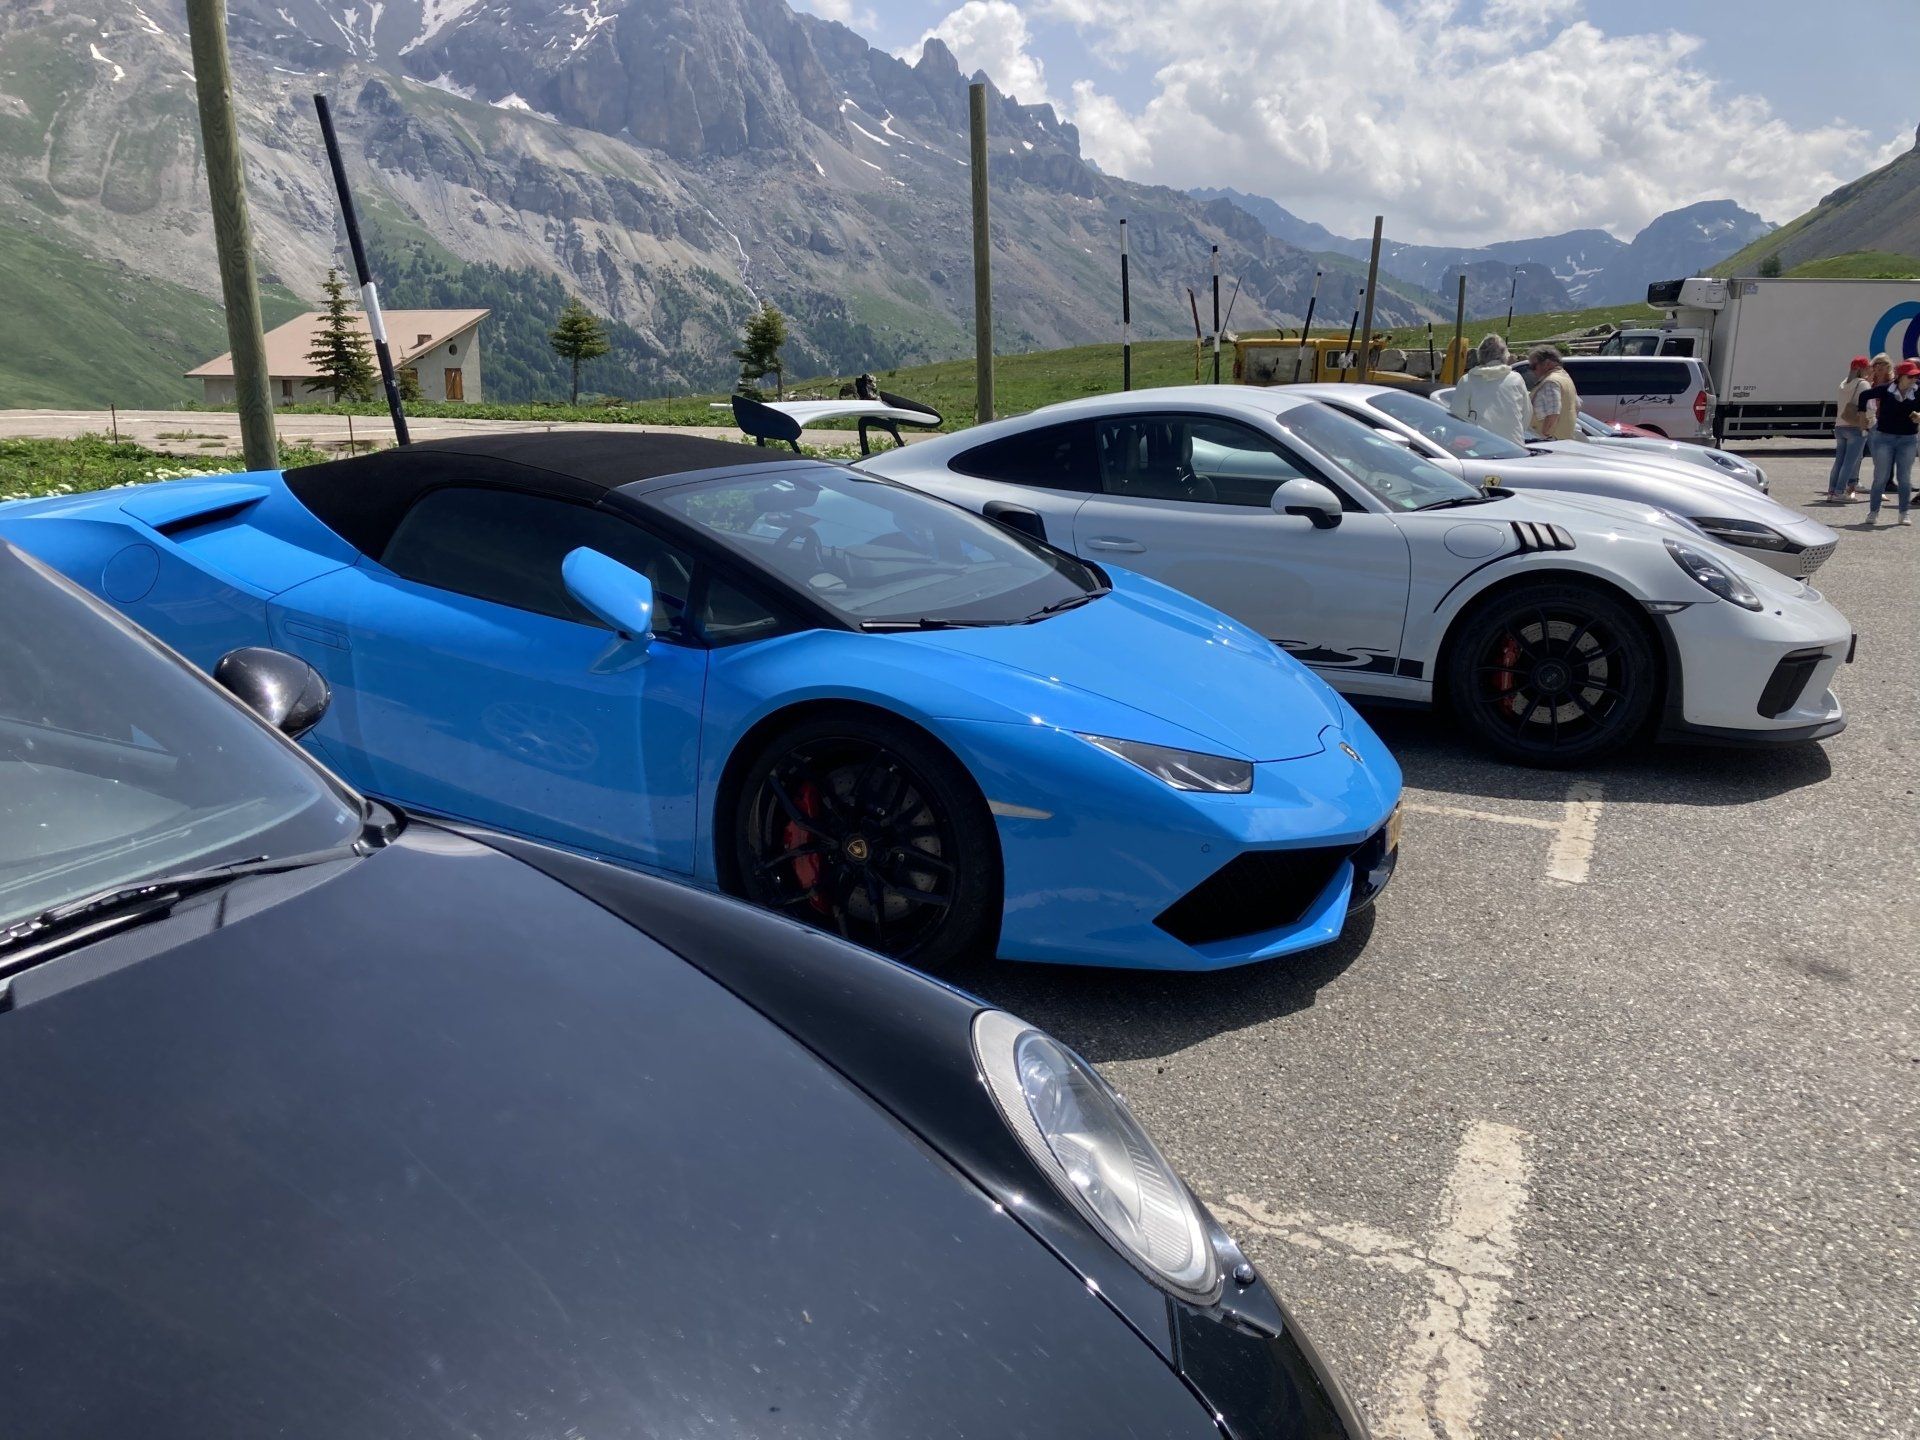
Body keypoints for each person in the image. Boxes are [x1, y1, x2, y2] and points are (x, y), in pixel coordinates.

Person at [1860, 357, 1919, 525]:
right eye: (1910, 376)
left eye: (1916, 376)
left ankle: (1903, 513)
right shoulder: (1886, 390)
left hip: (1908, 438)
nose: (1914, 379)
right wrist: (1862, 415)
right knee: (1881, 477)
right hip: (1884, 438)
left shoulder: (1918, 390)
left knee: (1905, 478)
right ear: (1900, 376)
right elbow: (1864, 396)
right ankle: (1873, 512)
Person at [1449, 334, 1531, 446]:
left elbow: (1458, 416)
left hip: (1480, 448)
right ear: (1505, 355)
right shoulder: (1516, 379)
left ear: (1480, 355)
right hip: (1514, 448)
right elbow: (1527, 414)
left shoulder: (1467, 380)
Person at [1827, 356, 1872, 502]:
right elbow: (1869, 407)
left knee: (1839, 461)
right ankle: (1840, 492)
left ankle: (1832, 491)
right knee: (1849, 462)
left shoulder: (1843, 384)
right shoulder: (1863, 384)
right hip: (1855, 427)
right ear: (1862, 369)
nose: (1869, 369)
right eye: (1867, 367)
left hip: (1840, 426)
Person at [1528, 345, 1579, 440]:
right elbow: (1578, 405)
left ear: (1547, 363)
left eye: (1533, 366)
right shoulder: (1566, 378)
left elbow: (1553, 413)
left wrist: (1544, 435)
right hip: (1564, 439)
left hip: (1549, 442)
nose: (1532, 370)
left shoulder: (1551, 382)